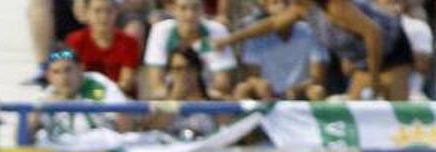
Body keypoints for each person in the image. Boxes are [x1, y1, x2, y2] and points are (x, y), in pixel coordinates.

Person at [216, 0, 414, 101]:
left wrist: (375, 77)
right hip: (364, 59)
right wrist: (230, 39)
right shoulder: (302, 7)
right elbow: (272, 24)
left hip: (392, 50)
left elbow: (373, 34)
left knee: (395, 111)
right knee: (356, 110)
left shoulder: (336, 7)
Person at [233, 0, 330, 101]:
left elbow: (317, 77)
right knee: (242, 89)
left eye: (287, 2)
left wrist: (296, 90)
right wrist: (259, 84)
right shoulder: (255, 37)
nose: (282, 6)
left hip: (301, 92)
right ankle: (238, 117)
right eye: (276, 2)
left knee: (317, 91)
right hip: (266, 95)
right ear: (266, 8)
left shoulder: (311, 32)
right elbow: (253, 76)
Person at [144, 0, 239, 98]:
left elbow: (222, 84)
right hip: (172, 95)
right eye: (183, 8)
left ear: (203, 10)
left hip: (207, 98)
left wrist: (200, 93)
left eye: (196, 8)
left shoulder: (217, 30)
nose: (190, 15)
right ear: (173, 10)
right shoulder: (160, 30)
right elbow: (156, 85)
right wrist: (176, 93)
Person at [31, 46, 128, 142]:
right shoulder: (46, 98)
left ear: (81, 68)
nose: (64, 77)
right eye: (56, 72)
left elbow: (124, 119)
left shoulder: (98, 84)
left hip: (100, 149)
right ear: (49, 76)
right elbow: (23, 136)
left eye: (68, 70)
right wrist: (38, 114)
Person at [66, 0, 142, 96]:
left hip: (120, 100)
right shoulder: (74, 41)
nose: (103, 17)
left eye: (109, 11)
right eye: (97, 11)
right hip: (85, 98)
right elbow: (73, 75)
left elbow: (126, 83)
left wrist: (102, 96)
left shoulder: (129, 43)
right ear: (87, 13)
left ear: (116, 13)